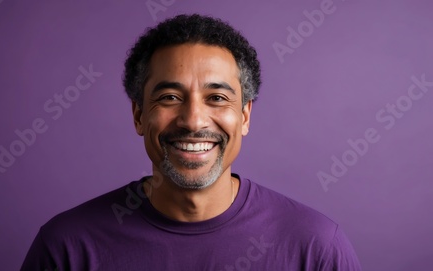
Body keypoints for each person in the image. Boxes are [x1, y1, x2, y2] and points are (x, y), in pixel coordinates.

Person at [21, 14, 362, 271]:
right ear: (139, 115)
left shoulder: (316, 247)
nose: (193, 120)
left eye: (216, 97)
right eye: (170, 96)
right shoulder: (67, 248)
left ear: (244, 117)